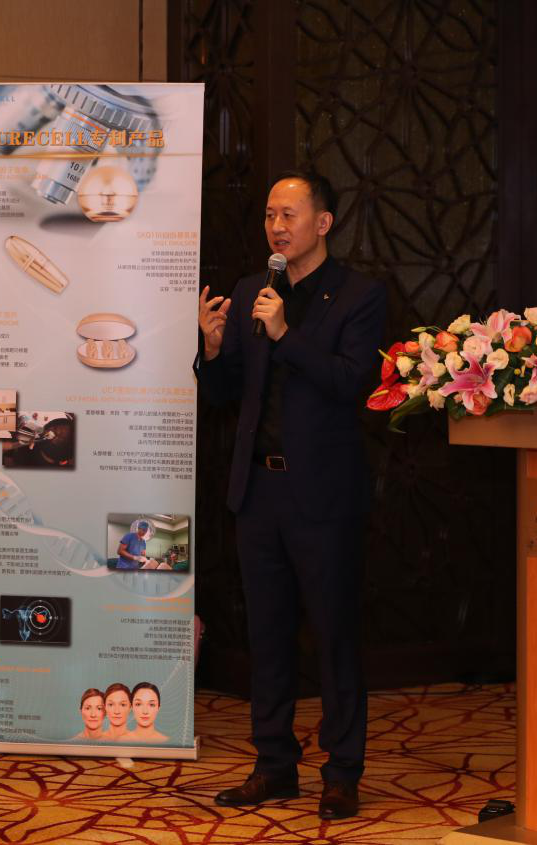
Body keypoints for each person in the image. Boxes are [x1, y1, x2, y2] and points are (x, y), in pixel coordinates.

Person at [195, 171, 385, 821]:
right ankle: (273, 764)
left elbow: (353, 382)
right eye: (269, 215)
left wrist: (284, 335)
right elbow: (227, 395)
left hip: (324, 497)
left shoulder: (359, 295)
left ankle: (342, 771)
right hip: (258, 492)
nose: (276, 226)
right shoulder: (254, 290)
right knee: (268, 636)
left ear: (322, 223)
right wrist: (212, 349)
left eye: (289, 215)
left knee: (333, 636)